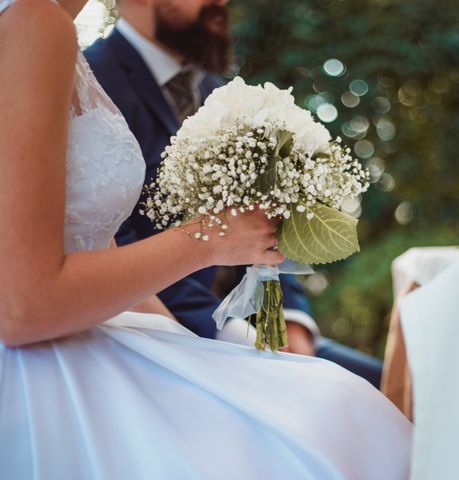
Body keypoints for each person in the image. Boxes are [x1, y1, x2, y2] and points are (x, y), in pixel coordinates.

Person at [0, 0, 412, 478]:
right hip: (44, 374)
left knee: (342, 402)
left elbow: (93, 240)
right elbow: (22, 305)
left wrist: (206, 351)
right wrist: (212, 239)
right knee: (342, 420)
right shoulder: (36, 23)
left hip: (133, 322)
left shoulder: (54, 34)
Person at [83, 0, 384, 387]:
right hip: (169, 339)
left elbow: (268, 213)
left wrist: (292, 323)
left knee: (402, 393)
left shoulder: (217, 89)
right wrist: (236, 339)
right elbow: (106, 242)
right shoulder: (92, 85)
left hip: (264, 331)